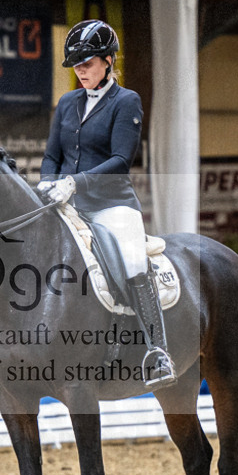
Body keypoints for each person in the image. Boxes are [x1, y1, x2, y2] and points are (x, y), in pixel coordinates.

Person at [38, 19, 174, 388]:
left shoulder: (126, 101)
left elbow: (120, 160)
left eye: (88, 63)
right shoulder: (66, 103)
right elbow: (52, 155)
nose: (81, 71)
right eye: (77, 66)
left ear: (109, 60)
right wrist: (46, 183)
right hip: (66, 204)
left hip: (112, 204)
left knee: (132, 261)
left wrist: (73, 182)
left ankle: (156, 351)